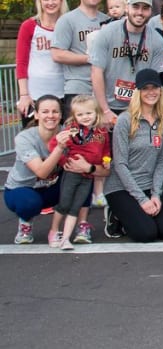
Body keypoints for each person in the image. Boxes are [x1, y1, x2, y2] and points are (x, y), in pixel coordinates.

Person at [5, 95, 97, 245]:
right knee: (29, 203)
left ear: (61, 115)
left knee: (84, 174)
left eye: (55, 112)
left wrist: (90, 167)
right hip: (22, 189)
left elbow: (93, 163)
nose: (50, 116)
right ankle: (25, 223)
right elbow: (41, 172)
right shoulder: (24, 138)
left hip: (52, 187)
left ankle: (82, 226)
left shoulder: (70, 133)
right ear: (36, 114)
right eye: (45, 111)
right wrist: (60, 147)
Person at [104, 69, 163, 243]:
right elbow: (119, 164)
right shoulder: (125, 120)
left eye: (155, 87)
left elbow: (162, 159)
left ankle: (136, 212)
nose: (151, 92)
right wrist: (142, 200)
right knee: (146, 233)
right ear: (138, 92)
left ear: (161, 90)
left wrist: (156, 194)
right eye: (145, 88)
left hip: (149, 184)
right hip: (121, 186)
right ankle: (115, 214)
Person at [89, 0, 163, 124]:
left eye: (145, 8)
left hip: (138, 108)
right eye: (135, 7)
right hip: (107, 106)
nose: (140, 12)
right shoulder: (107, 32)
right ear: (126, 8)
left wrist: (146, 111)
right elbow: (96, 72)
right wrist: (105, 110)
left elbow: (154, 81)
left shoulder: (157, 39)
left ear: (150, 11)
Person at [49, 95, 110, 249]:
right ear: (74, 116)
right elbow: (54, 145)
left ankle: (66, 239)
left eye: (89, 113)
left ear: (96, 113)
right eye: (80, 114)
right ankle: (54, 231)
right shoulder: (72, 130)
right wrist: (65, 163)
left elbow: (106, 151)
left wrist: (106, 161)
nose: (85, 117)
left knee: (77, 206)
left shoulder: (101, 132)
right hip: (72, 173)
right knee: (64, 203)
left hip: (89, 175)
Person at [51, 0, 106, 118]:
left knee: (101, 137)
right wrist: (90, 58)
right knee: (76, 136)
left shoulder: (107, 20)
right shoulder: (67, 20)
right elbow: (57, 54)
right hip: (78, 88)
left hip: (103, 88)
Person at [16, 0, 69, 127]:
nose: (50, 3)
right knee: (33, 140)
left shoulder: (68, 25)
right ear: (40, 1)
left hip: (64, 95)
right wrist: (24, 95)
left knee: (63, 142)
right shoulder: (29, 26)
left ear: (61, 0)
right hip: (34, 95)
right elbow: (21, 62)